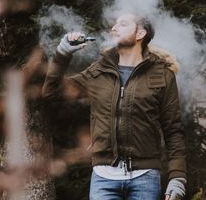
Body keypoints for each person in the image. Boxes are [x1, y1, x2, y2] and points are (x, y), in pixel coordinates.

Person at [42, 13, 186, 200]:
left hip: (146, 178)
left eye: (123, 24)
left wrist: (177, 178)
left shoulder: (162, 75)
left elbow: (173, 129)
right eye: (115, 24)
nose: (114, 28)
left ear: (140, 33)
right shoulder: (98, 71)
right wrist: (62, 54)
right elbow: (50, 93)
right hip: (103, 178)